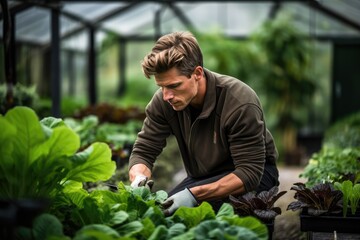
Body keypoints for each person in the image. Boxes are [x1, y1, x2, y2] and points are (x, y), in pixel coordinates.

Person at [128, 31, 279, 216]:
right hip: (203, 177)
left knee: (196, 218)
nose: (166, 95)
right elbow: (144, 151)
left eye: (174, 86)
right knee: (162, 213)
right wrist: (138, 177)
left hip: (254, 176)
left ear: (197, 73)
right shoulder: (163, 102)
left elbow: (249, 173)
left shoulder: (239, 101)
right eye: (161, 86)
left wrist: (194, 195)